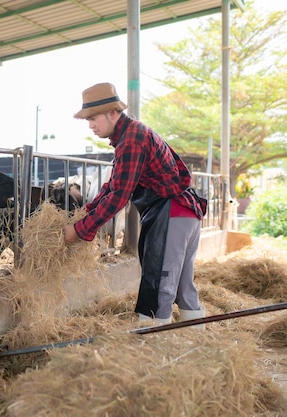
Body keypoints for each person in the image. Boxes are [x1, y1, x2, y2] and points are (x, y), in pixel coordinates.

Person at [61, 82, 207, 327]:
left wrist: (80, 230)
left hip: (171, 212)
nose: (91, 125)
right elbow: (112, 186)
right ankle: (195, 338)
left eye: (93, 118)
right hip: (183, 213)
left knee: (159, 280)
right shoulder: (129, 136)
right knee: (182, 282)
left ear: (112, 113)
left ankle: (152, 342)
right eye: (88, 120)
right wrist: (85, 213)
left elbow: (119, 195)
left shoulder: (132, 139)